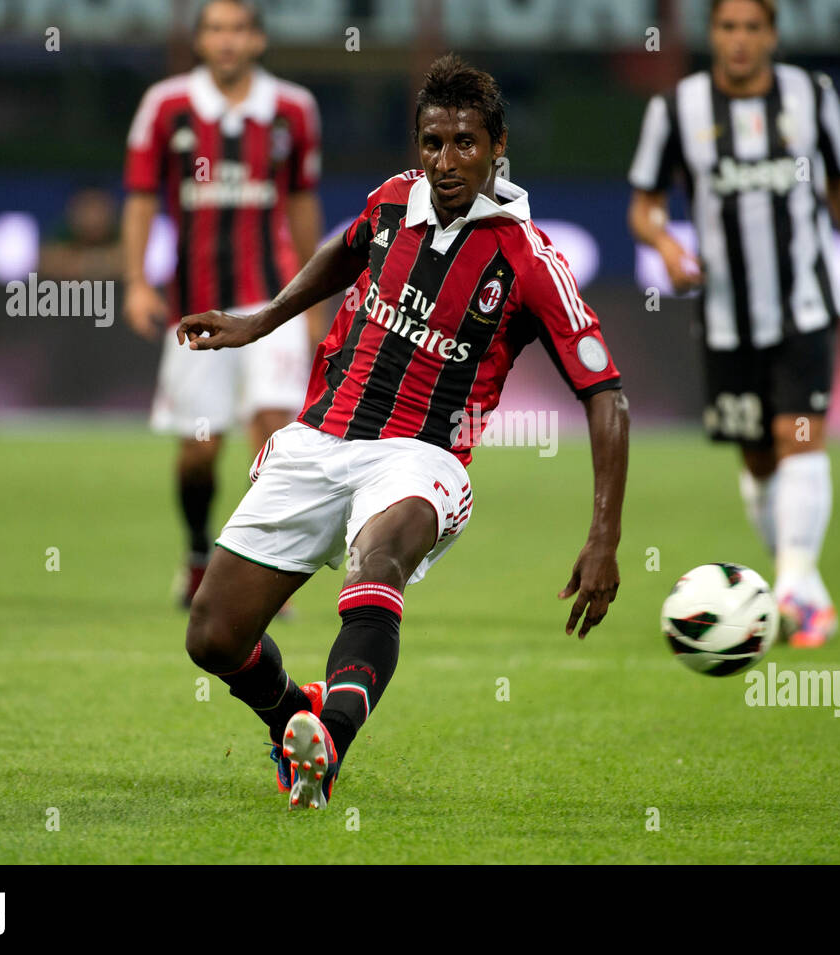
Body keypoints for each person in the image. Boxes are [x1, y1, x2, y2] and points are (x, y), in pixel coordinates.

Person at [177, 54, 629, 810]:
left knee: (378, 555)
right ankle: (294, 717)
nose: (446, 162)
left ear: (498, 145)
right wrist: (261, 319)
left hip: (422, 458)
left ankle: (334, 740)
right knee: (212, 636)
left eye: (465, 144)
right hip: (320, 438)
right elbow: (344, 251)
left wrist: (605, 534)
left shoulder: (530, 260)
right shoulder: (392, 203)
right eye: (431, 143)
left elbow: (606, 394)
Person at [627, 0, 840, 647]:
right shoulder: (675, 109)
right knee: (761, 458)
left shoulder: (811, 97)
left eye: (752, 28)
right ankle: (795, 582)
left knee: (801, 436)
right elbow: (644, 206)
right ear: (713, 35)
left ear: (772, 35)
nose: (739, 41)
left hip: (804, 305)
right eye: (727, 27)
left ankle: (795, 591)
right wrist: (666, 246)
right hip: (724, 316)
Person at [121, 0, 325, 608]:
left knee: (274, 430)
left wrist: (312, 297)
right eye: (215, 29)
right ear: (200, 41)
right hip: (196, 305)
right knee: (199, 454)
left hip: (274, 302)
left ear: (257, 40)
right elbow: (138, 197)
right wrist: (135, 280)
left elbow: (302, 202)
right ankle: (195, 555)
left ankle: (265, 576)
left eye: (238, 29)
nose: (227, 40)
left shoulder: (293, 110)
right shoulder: (166, 106)